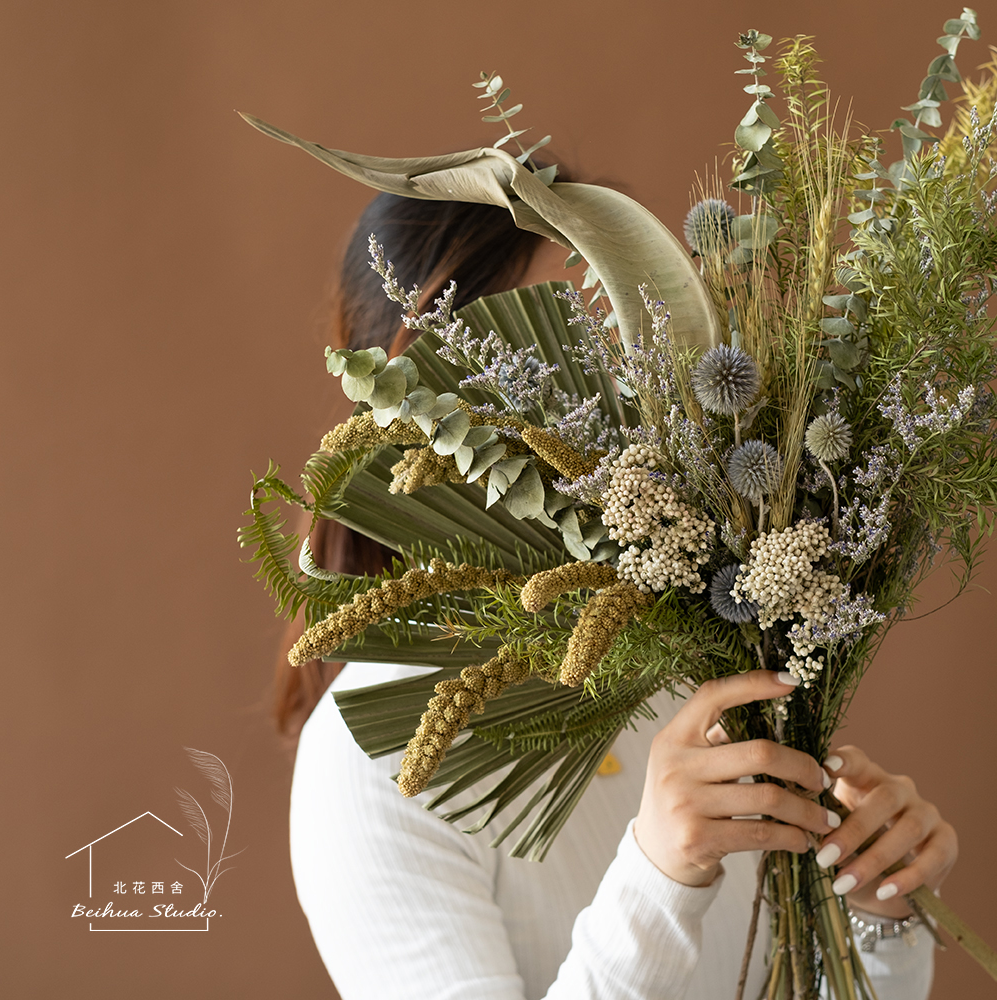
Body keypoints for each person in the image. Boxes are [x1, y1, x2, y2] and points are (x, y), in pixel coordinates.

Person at [280, 190, 958, 1000]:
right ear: (419, 406)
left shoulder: (690, 653)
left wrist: (879, 907)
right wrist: (660, 876)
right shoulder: (368, 765)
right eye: (547, 362)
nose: (611, 410)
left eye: (622, 351)